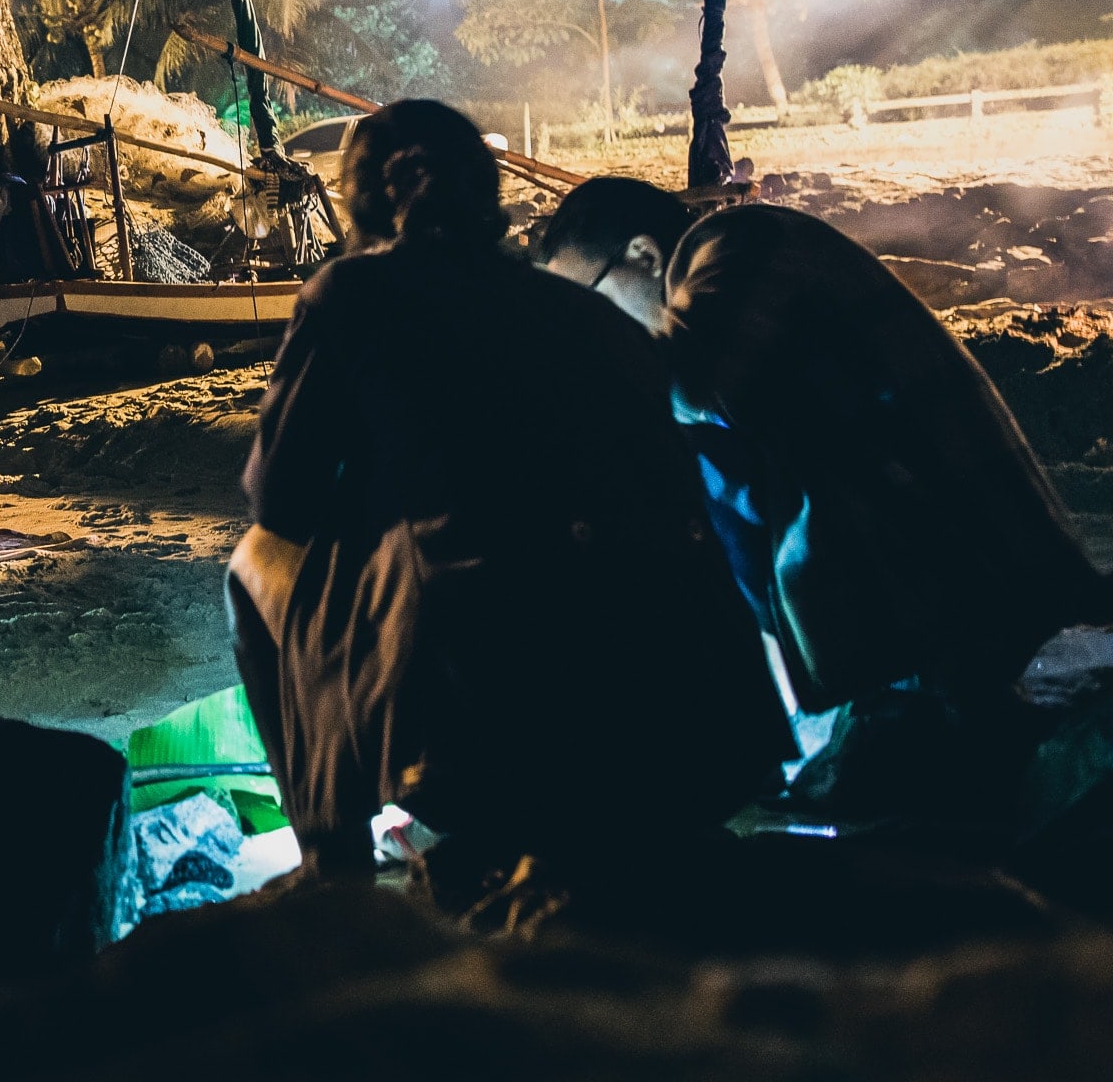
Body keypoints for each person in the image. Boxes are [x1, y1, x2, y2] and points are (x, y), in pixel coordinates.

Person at [230, 101, 789, 881]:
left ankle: (334, 868)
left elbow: (279, 505)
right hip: (716, 742)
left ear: (356, 200)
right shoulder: (596, 315)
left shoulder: (352, 294)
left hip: (495, 758)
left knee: (262, 563)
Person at [536, 180, 1108, 739]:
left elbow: (689, 380)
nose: (588, 333)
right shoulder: (727, 268)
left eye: (585, 307)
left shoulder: (742, 241)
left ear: (642, 255)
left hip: (984, 573)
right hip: (956, 582)